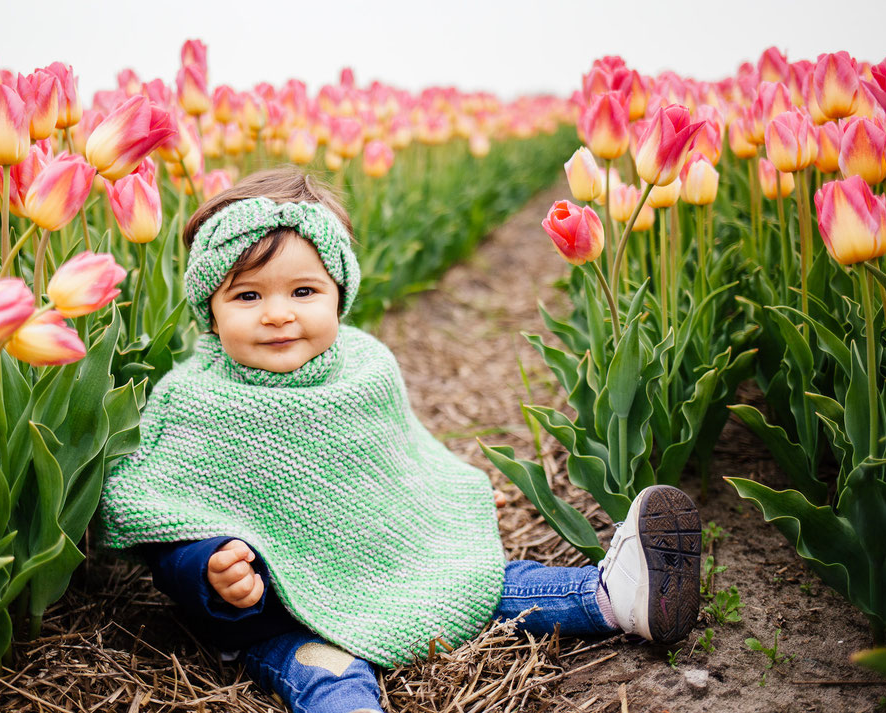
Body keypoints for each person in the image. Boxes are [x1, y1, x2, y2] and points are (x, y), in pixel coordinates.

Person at [99, 167, 702, 713]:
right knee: (328, 672)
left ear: (339, 295)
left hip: (401, 563)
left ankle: (611, 596)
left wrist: (436, 499)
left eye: (303, 292)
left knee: (486, 581)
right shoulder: (195, 402)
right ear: (209, 308)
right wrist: (209, 572)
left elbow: (402, 462)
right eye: (248, 295)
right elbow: (164, 515)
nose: (278, 313)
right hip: (291, 612)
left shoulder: (364, 367)